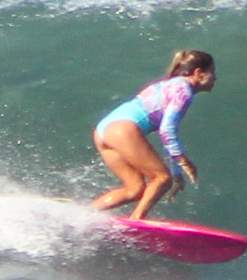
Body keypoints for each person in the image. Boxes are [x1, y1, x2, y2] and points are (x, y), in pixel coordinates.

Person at [91, 50, 216, 220]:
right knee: (162, 178)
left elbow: (168, 139)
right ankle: (137, 220)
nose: (215, 78)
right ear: (199, 74)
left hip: (104, 130)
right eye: (212, 73)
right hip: (122, 128)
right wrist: (183, 161)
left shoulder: (170, 84)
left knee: (134, 189)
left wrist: (177, 173)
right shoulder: (183, 92)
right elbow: (167, 130)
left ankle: (82, 215)